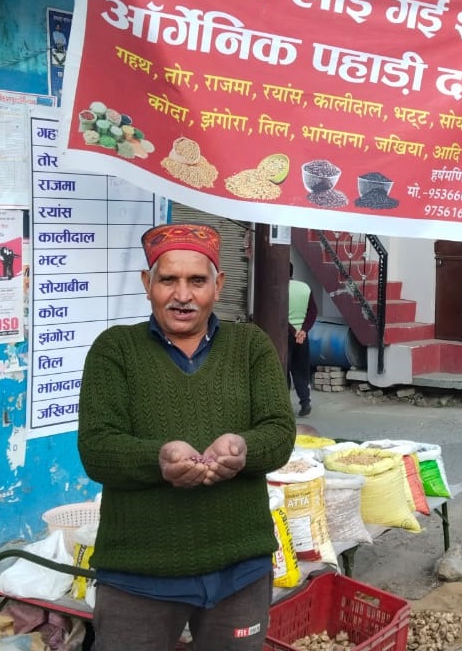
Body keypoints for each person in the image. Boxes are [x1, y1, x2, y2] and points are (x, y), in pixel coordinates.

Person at [78, 222, 296, 651]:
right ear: (147, 284)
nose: (182, 295)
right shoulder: (115, 349)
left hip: (240, 571)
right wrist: (159, 459)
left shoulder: (250, 346)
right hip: (138, 576)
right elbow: (97, 448)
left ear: (219, 285)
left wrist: (243, 449)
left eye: (197, 280)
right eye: (168, 280)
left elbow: (279, 432)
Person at [288, 263, 317, 417]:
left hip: (284, 335)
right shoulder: (305, 287)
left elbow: (279, 314)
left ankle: (283, 405)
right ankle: (305, 402)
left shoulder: (278, 288)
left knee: (283, 370)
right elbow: (313, 311)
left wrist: (293, 332)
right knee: (301, 370)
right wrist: (303, 331)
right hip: (302, 336)